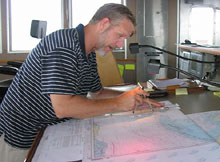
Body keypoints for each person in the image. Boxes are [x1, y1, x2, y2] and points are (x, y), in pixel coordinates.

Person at [0, 3, 163, 162]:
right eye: (119, 36)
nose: (120, 44)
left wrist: (132, 97)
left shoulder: (89, 51)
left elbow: (97, 92)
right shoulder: (63, 45)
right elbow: (63, 107)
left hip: (52, 130)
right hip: (22, 135)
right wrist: (119, 103)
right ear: (104, 24)